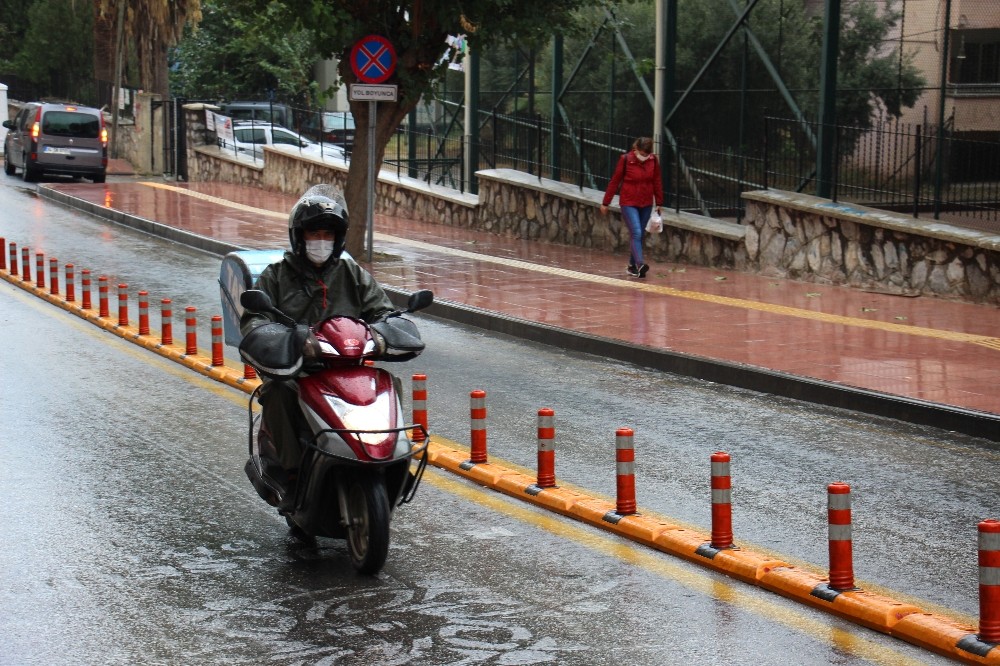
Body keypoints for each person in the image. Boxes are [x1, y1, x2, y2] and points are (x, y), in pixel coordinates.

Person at [239, 184, 395, 479]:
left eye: (328, 234)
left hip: (347, 367)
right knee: (278, 392)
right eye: (314, 234)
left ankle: (391, 458)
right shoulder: (277, 276)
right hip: (297, 370)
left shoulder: (352, 274)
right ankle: (290, 471)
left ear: (338, 238)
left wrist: (386, 330)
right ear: (300, 237)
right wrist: (281, 340)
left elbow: (382, 311)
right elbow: (255, 320)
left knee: (387, 385)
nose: (321, 241)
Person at [600, 136, 664, 278]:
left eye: (647, 154)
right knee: (636, 232)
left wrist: (659, 202)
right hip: (629, 202)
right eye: (642, 154)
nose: (644, 157)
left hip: (646, 202)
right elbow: (615, 181)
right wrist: (606, 202)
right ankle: (640, 265)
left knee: (640, 234)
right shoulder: (626, 160)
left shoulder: (653, 160)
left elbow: (657, 181)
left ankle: (631, 266)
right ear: (636, 149)